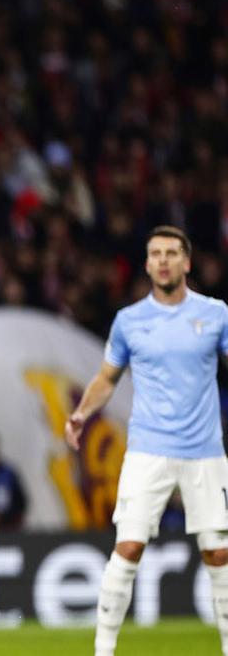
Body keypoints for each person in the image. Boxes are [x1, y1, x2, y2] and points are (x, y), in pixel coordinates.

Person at [64, 225, 228, 656]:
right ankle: (103, 651)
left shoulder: (215, 315)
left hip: (204, 452)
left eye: (172, 253)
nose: (163, 260)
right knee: (128, 547)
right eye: (156, 253)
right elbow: (107, 378)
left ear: (186, 262)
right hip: (148, 449)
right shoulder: (130, 320)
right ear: (147, 263)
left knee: (218, 555)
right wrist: (82, 413)